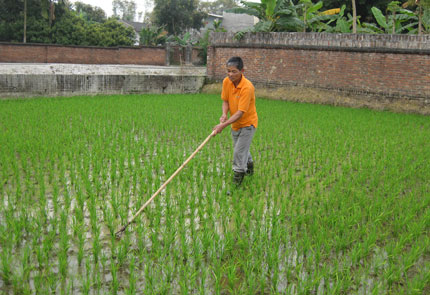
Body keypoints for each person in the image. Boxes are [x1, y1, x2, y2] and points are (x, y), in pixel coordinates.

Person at [213, 56, 258, 186]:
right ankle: (250, 169)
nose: (230, 74)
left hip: (248, 124)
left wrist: (223, 125)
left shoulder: (247, 87)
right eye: (228, 71)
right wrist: (224, 114)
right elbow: (225, 100)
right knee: (242, 149)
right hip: (235, 124)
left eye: (234, 71)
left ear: (242, 71)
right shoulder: (226, 82)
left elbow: (240, 112)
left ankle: (236, 183)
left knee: (238, 152)